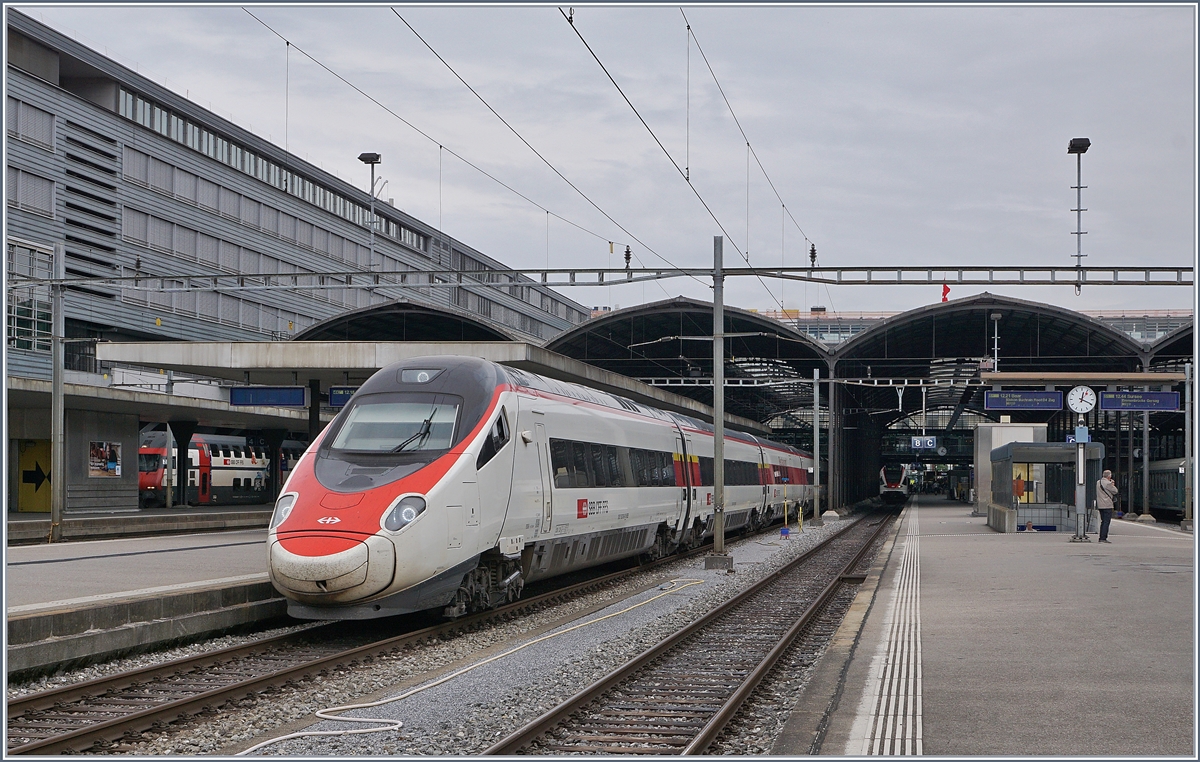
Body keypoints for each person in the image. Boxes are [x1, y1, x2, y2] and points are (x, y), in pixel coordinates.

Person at [1095, 469, 1118, 544]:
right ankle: (1103, 538)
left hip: (1100, 505)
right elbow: (1115, 491)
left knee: (1103, 521)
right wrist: (1112, 485)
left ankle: (1101, 537)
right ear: (1109, 476)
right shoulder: (1108, 483)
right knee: (1106, 522)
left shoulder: (1098, 482)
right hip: (1107, 505)